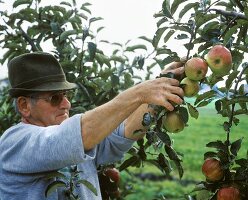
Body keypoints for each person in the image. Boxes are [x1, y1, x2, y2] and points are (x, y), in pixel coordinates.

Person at [0, 52, 184, 200]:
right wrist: (138, 93)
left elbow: (125, 131)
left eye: (66, 95)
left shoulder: (82, 142)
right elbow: (71, 137)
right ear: (24, 106)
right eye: (55, 98)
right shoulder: (15, 142)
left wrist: (162, 82)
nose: (66, 104)